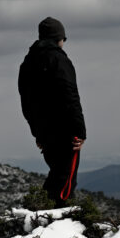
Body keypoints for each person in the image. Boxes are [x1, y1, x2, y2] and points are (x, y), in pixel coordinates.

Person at [18, 17, 86, 205]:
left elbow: (27, 102)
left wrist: (38, 133)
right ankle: (52, 221)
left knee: (57, 175)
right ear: (59, 38)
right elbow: (70, 96)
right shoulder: (59, 60)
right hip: (66, 132)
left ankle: (42, 214)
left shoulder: (27, 63)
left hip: (45, 133)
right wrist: (80, 132)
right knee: (65, 183)